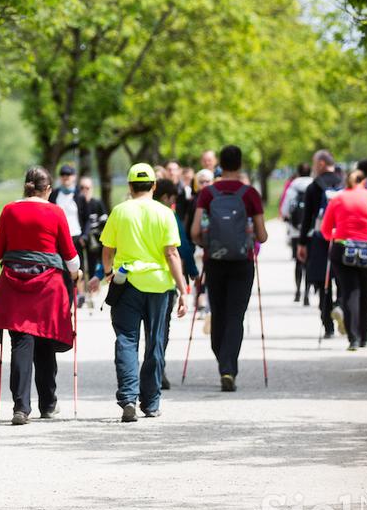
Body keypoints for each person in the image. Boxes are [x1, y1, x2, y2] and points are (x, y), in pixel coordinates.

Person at [89, 163, 187, 422]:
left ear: (130, 186)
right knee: (155, 343)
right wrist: (183, 290)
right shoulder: (165, 213)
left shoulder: (120, 212)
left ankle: (128, 399)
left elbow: (107, 251)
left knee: (126, 340)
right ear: (154, 186)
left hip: (127, 285)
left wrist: (109, 271)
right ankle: (152, 402)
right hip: (159, 286)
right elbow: (172, 253)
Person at [0, 167, 80, 425]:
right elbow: (70, 256)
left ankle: (20, 407)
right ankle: (48, 404)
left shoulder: (9, 210)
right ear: (48, 189)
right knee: (46, 344)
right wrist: (76, 272)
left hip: (15, 286)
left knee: (21, 343)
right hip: (47, 288)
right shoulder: (55, 212)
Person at [190, 145, 268, 392]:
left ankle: (223, 362)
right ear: (241, 164)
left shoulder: (208, 193)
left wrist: (207, 243)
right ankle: (228, 367)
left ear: (220, 164)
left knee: (220, 315)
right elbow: (263, 235)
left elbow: (194, 232)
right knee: (236, 316)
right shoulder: (250, 194)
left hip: (215, 262)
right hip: (242, 263)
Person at [321, 170, 367, 350]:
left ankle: (353, 338)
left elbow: (326, 230)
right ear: (364, 181)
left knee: (349, 291)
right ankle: (365, 335)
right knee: (366, 292)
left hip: (343, 249)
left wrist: (335, 235)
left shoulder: (337, 199)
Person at [154, 178, 199, 390]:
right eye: (172, 199)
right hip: (164, 281)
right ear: (165, 198)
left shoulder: (131, 212)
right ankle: (157, 368)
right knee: (161, 329)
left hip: (134, 281)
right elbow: (183, 248)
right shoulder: (168, 216)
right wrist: (192, 272)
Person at [297, 150, 345, 339]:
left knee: (323, 283)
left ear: (322, 164)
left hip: (319, 240)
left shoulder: (314, 187)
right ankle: (340, 306)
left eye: (315, 163)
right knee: (342, 279)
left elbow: (307, 218)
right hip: (341, 239)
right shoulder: (344, 182)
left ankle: (328, 326)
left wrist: (302, 244)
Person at [280, 163, 314, 304]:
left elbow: (285, 210)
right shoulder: (315, 186)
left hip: (295, 231)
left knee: (299, 262)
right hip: (311, 231)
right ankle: (307, 293)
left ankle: (298, 292)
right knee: (309, 263)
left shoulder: (292, 187)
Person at [78, 176, 108, 292]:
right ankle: (81, 295)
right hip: (80, 238)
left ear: (92, 188)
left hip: (95, 240)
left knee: (94, 266)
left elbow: (104, 220)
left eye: (87, 187)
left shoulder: (97, 203)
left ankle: (93, 293)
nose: (85, 190)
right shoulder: (77, 203)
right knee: (79, 267)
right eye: (82, 188)